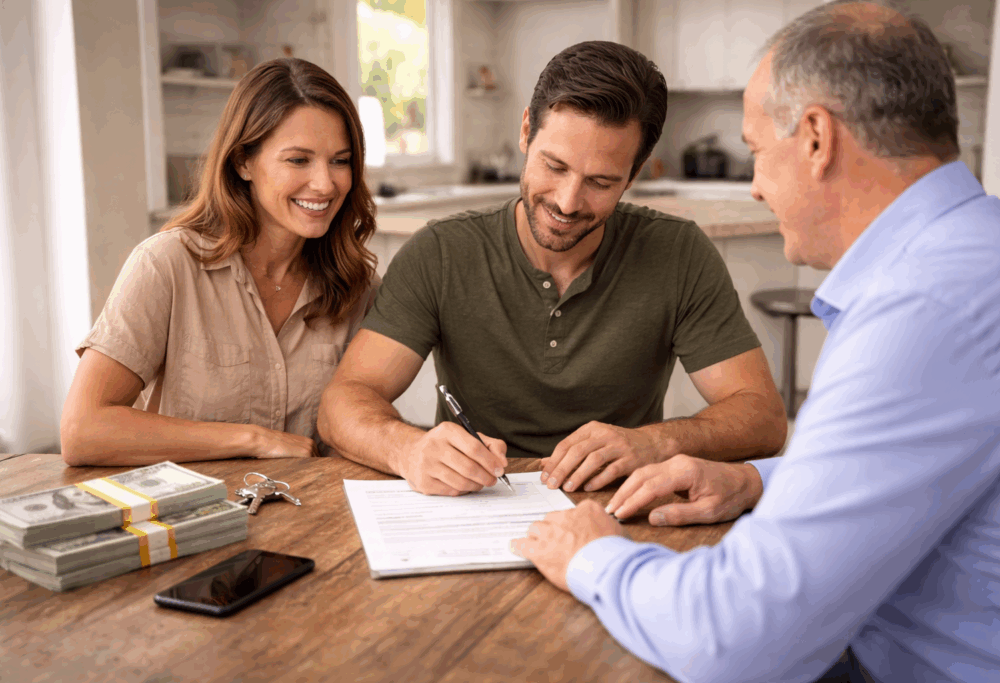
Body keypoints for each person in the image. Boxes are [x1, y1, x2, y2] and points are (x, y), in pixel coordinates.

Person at [511, 2, 1000, 682]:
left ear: (817, 139)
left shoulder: (925, 306)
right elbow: (928, 472)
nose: (756, 187)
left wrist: (595, 555)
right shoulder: (976, 252)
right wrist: (756, 480)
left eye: (756, 151)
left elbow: (737, 641)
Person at [318, 41, 786, 497]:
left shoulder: (679, 254)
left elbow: (763, 417)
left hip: (619, 506)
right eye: (554, 166)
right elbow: (342, 403)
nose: (567, 201)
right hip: (475, 502)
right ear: (526, 131)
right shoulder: (440, 253)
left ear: (636, 171)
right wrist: (409, 449)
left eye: (601, 182)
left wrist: (654, 442)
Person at [60, 58, 379, 466]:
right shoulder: (167, 265)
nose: (325, 183)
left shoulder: (357, 286)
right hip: (191, 519)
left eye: (340, 160)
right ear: (243, 162)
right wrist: (253, 440)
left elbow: (363, 423)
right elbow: (82, 431)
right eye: (298, 160)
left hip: (312, 516)